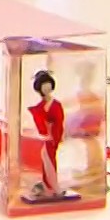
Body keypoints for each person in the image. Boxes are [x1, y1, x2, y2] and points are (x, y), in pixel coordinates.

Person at [28, 69, 65, 199]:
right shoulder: (40, 106)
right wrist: (43, 132)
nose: (47, 88)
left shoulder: (56, 105)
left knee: (50, 161)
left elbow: (60, 121)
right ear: (39, 88)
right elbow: (38, 118)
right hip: (45, 138)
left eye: (49, 84)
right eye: (44, 86)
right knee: (46, 161)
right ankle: (49, 186)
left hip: (53, 135)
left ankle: (53, 187)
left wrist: (57, 136)